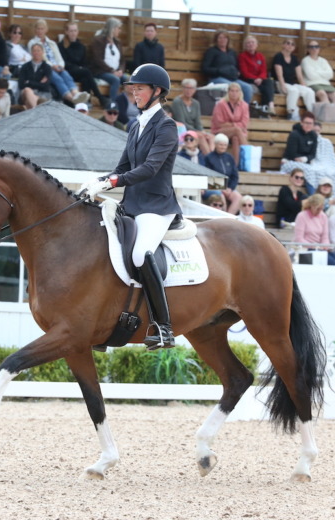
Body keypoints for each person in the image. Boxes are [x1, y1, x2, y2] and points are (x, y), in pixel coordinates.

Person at [79, 64, 180, 349]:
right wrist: (97, 181)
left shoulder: (166, 126)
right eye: (133, 88)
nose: (134, 92)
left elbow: (149, 168)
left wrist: (111, 183)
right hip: (132, 204)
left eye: (140, 88)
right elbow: (123, 167)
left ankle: (163, 327)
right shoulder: (136, 125)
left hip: (156, 206)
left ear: (157, 92)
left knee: (140, 254)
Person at [27, 19, 88, 106]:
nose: (40, 31)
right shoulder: (32, 43)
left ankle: (76, 93)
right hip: (44, 68)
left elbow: (58, 56)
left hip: (56, 66)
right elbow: (39, 58)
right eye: (38, 29)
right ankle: (71, 99)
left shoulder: (51, 43)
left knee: (66, 75)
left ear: (46, 30)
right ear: (35, 30)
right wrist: (52, 66)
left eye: (42, 29)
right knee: (57, 78)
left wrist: (60, 65)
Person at [60, 22, 107, 107]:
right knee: (86, 72)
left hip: (81, 72)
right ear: (66, 32)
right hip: (68, 72)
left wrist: (81, 69)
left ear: (77, 32)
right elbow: (64, 63)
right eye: (71, 31)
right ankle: (99, 97)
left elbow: (85, 62)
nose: (73, 33)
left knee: (85, 78)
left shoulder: (81, 46)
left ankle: (85, 103)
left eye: (75, 30)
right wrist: (79, 68)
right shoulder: (61, 45)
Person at [201, 30, 253, 103]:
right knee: (231, 87)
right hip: (217, 78)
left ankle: (243, 109)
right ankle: (230, 109)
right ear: (216, 40)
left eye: (225, 38)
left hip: (232, 78)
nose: (223, 40)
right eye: (220, 38)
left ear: (228, 40)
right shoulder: (211, 51)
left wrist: (237, 72)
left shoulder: (232, 52)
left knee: (248, 88)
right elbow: (205, 69)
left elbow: (237, 66)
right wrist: (219, 70)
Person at [273, 38, 315, 121]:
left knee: (309, 91)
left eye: (292, 44)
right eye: (288, 43)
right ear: (283, 45)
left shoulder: (295, 59)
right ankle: (291, 113)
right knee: (294, 91)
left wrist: (304, 86)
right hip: (279, 83)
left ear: (294, 48)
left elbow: (299, 76)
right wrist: (282, 85)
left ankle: (311, 114)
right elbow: (279, 75)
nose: (290, 45)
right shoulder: (278, 56)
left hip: (292, 84)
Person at [293, 194, 335, 265]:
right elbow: (299, 238)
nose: (320, 211)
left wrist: (325, 246)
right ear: (311, 206)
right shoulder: (301, 216)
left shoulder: (323, 216)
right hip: (306, 249)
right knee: (333, 263)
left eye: (321, 208)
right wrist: (314, 246)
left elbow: (325, 237)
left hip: (320, 249)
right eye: (317, 208)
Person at [170, 78, 215, 154]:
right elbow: (182, 122)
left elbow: (198, 122)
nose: (188, 90)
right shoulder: (177, 101)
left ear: (194, 90)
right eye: (186, 88)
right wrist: (198, 132)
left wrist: (201, 131)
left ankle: (212, 157)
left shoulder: (196, 103)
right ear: (182, 89)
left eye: (191, 88)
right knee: (200, 137)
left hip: (194, 130)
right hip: (182, 130)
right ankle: (208, 159)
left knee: (211, 137)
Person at [210, 82, 249, 166]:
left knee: (236, 138)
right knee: (237, 130)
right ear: (228, 92)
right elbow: (219, 122)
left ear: (240, 92)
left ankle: (235, 165)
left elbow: (244, 123)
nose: (234, 93)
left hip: (238, 132)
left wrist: (230, 124)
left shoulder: (244, 105)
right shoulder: (221, 104)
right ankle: (248, 154)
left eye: (236, 91)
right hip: (220, 131)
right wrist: (235, 125)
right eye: (232, 91)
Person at [89, 17, 126, 101]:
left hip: (116, 71)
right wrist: (112, 71)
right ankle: (112, 105)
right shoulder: (98, 41)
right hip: (101, 71)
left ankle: (128, 104)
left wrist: (120, 70)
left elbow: (122, 60)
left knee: (129, 80)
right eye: (118, 28)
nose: (120, 30)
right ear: (112, 28)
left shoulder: (118, 42)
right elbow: (97, 59)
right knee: (115, 80)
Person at [204, 133, 242, 214]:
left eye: (225, 145)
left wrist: (230, 188)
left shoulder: (229, 158)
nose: (223, 147)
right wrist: (221, 188)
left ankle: (229, 217)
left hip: (228, 188)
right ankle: (222, 216)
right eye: (220, 144)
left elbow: (235, 176)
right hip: (214, 187)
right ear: (215, 144)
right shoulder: (209, 158)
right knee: (221, 197)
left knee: (238, 197)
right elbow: (208, 176)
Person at [238, 35, 275, 115]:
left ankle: (269, 106)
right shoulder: (242, 56)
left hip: (260, 79)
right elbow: (244, 72)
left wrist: (260, 78)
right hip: (248, 79)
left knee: (269, 82)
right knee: (266, 86)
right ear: (245, 45)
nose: (250, 44)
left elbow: (263, 70)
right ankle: (266, 107)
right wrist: (255, 79)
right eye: (248, 43)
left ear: (256, 45)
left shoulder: (260, 56)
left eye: (252, 42)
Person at [301, 40, 335, 107]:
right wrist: (323, 73)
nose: (314, 49)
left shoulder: (323, 60)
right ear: (308, 49)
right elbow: (311, 76)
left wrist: (316, 71)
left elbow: (330, 75)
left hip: (326, 84)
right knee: (322, 94)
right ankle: (328, 115)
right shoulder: (305, 60)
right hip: (312, 83)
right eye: (311, 47)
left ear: (319, 49)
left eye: (316, 47)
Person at [281, 113, 318, 181]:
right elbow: (292, 154)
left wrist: (305, 159)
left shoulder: (314, 135)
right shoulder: (294, 134)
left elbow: (313, 154)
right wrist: (301, 159)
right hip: (290, 161)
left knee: (320, 171)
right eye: (306, 123)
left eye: (311, 123)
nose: (308, 125)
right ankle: (311, 191)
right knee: (309, 171)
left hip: (305, 162)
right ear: (301, 123)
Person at [17, 43, 52, 109]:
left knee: (28, 103)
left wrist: (29, 82)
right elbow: (21, 84)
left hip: (42, 93)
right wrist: (39, 83)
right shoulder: (25, 67)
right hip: (26, 93)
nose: (36, 53)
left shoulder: (47, 67)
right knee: (27, 90)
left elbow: (46, 85)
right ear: (31, 52)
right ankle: (36, 109)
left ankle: (34, 109)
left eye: (38, 50)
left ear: (42, 52)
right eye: (34, 51)